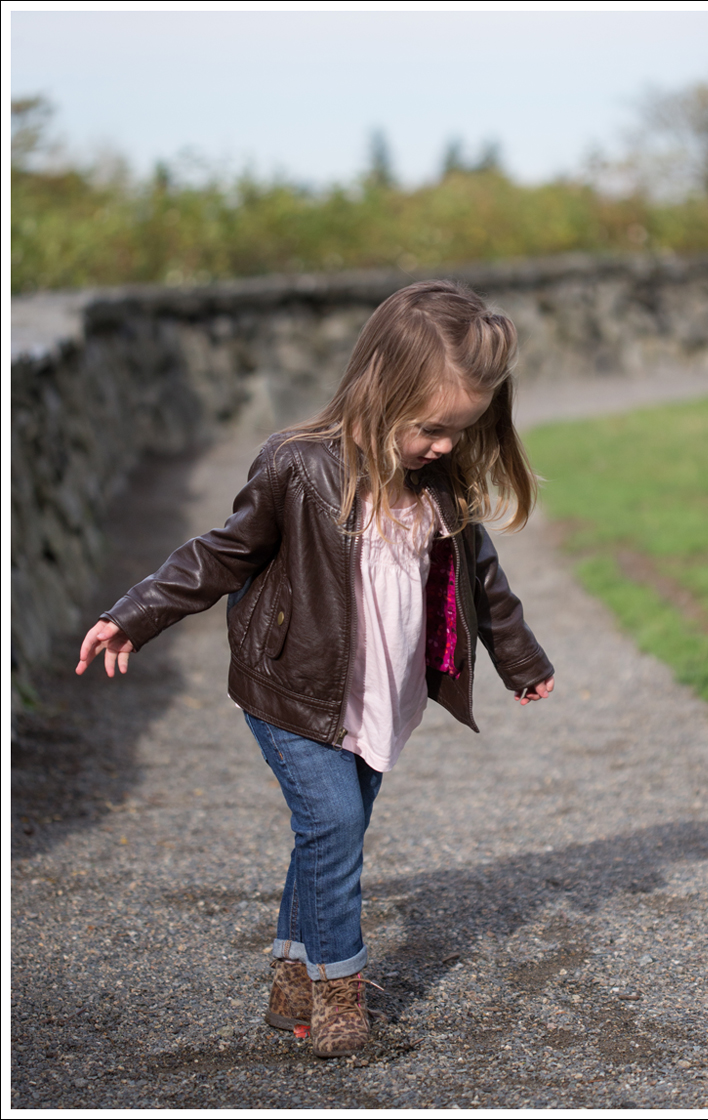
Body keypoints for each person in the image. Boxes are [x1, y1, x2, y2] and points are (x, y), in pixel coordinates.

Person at [76, 279, 555, 1059]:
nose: (443, 446)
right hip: (291, 691)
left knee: (329, 834)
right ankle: (340, 1003)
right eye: (430, 428)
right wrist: (135, 612)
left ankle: (291, 985)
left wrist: (520, 659)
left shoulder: (438, 489)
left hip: (376, 695)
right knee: (333, 825)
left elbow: (483, 583)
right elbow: (221, 552)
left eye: (458, 432)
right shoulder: (298, 467)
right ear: (379, 390)